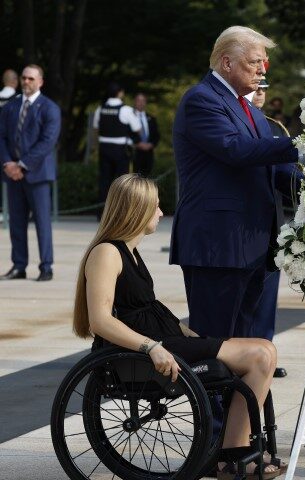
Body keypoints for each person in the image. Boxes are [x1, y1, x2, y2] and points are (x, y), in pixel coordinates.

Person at [72, 173, 283, 479]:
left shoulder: (129, 251)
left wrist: (184, 332)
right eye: (156, 206)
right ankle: (232, 455)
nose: (161, 212)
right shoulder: (106, 253)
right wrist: (152, 347)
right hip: (144, 351)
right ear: (137, 210)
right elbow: (101, 320)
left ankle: (232, 450)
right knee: (260, 356)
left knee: (264, 349)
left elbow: (145, 309)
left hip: (165, 339)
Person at [170, 25, 301, 435]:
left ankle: (236, 442)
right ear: (226, 62)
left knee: (243, 350)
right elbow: (235, 150)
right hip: (217, 247)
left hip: (251, 247)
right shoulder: (201, 101)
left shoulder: (250, 109)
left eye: (264, 63)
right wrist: (301, 142)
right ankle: (211, 442)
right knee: (215, 349)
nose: (262, 70)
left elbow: (278, 169)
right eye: (253, 63)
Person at [246, 78, 295, 378]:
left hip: (271, 220)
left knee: (266, 300)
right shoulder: (238, 124)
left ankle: (265, 354)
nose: (261, 92)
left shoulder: (276, 128)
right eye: (256, 87)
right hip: (246, 223)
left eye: (264, 88)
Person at [0, 64, 61, 281]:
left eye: (31, 79)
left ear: (40, 81)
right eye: (24, 78)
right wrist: (8, 163)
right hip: (12, 174)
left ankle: (46, 266)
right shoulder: (10, 107)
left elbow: (47, 142)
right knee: (16, 222)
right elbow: (2, 137)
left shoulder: (50, 108)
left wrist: (22, 165)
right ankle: (19, 265)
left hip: (37, 175)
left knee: (42, 223)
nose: (26, 82)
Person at [93, 82, 141, 218]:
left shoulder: (100, 108)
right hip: (120, 150)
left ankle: (102, 213)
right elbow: (137, 128)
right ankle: (122, 213)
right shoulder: (125, 110)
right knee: (123, 181)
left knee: (104, 181)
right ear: (120, 93)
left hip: (104, 148)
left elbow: (96, 129)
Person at [132, 93, 160, 177]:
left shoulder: (151, 118)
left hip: (148, 154)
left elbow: (156, 135)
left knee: (146, 179)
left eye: (143, 101)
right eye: (138, 100)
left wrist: (151, 144)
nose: (140, 103)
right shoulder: (129, 117)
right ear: (135, 102)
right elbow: (127, 133)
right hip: (134, 153)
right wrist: (138, 143)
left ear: (145, 103)